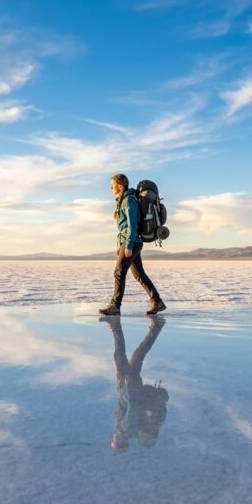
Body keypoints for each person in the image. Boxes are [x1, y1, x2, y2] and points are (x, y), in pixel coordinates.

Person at [99, 173, 166, 316]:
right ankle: (157, 301)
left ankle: (115, 306)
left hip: (132, 242)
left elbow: (132, 225)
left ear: (120, 185)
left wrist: (128, 245)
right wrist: (120, 245)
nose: (111, 188)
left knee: (119, 272)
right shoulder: (123, 200)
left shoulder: (129, 200)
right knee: (138, 274)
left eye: (112, 185)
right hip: (131, 241)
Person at [100, 315, 168, 453]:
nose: (112, 439)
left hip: (126, 386)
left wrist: (118, 414)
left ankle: (156, 327)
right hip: (130, 386)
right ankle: (115, 324)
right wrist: (128, 386)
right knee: (121, 354)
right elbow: (133, 405)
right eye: (113, 442)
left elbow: (125, 407)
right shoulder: (128, 429)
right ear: (119, 442)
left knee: (136, 354)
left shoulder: (123, 429)